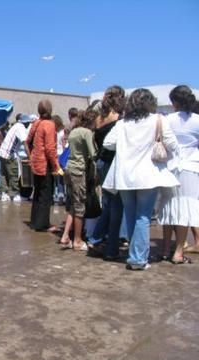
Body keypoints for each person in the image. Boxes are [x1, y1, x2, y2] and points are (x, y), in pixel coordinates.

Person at [101, 88, 180, 270]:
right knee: (143, 216)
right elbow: (172, 144)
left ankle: (134, 255)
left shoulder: (122, 124)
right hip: (148, 175)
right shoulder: (158, 120)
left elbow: (107, 143)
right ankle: (138, 258)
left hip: (125, 176)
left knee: (130, 215)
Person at [158, 85, 199, 263]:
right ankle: (178, 251)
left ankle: (165, 248)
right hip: (192, 165)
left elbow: (162, 141)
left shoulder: (166, 119)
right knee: (186, 208)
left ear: (175, 102)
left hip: (171, 164)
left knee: (168, 205)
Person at [88, 85, 127, 260]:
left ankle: (98, 239)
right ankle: (109, 243)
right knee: (116, 205)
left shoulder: (98, 118)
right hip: (113, 162)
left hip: (102, 161)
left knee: (108, 202)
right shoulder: (120, 118)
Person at [59, 110, 98, 251]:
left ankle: (65, 236)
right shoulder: (87, 133)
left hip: (68, 169)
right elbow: (93, 154)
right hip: (78, 171)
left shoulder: (74, 132)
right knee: (80, 205)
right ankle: (77, 240)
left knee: (72, 205)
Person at [26, 100, 62, 231]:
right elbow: (50, 149)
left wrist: (31, 157)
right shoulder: (49, 125)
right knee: (46, 194)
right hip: (45, 163)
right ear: (50, 110)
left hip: (36, 164)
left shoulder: (36, 123)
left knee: (38, 193)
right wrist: (56, 166)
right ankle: (43, 224)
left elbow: (27, 141)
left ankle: (35, 221)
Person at [0, 113, 32, 202]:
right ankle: (16, 195)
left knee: (4, 174)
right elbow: (25, 144)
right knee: (14, 173)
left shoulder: (15, 126)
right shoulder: (21, 128)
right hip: (9, 154)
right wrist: (30, 157)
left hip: (2, 153)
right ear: (25, 122)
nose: (29, 125)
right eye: (28, 123)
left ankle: (4, 194)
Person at [53, 115, 66, 204]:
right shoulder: (60, 132)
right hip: (59, 156)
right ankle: (60, 194)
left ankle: (59, 194)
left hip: (58, 156)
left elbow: (63, 145)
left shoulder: (59, 132)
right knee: (59, 176)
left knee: (59, 176)